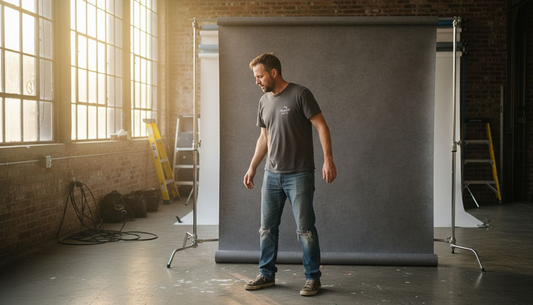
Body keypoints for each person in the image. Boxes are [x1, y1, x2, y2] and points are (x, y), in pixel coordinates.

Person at [243, 53, 337, 297]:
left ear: (274, 72)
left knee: (305, 230)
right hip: (271, 175)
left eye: (260, 75)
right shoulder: (264, 101)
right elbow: (264, 137)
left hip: (299, 175)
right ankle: (266, 274)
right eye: (255, 77)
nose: (257, 81)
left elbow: (321, 126)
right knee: (266, 229)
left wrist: (328, 159)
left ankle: (312, 278)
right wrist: (253, 166)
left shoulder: (300, 94)